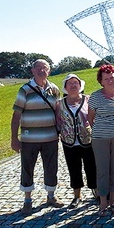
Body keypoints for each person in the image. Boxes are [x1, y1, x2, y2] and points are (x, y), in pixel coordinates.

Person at [11, 59, 63, 215]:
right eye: (38, 68)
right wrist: (14, 138)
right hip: (29, 139)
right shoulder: (25, 90)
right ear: (32, 71)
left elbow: (57, 112)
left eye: (45, 68)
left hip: (50, 138)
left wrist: (60, 131)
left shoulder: (54, 89)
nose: (42, 70)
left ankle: (51, 196)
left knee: (51, 168)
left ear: (49, 71)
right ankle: (27, 200)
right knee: (27, 169)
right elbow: (16, 116)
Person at [88, 65, 114, 216]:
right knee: (102, 170)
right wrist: (103, 129)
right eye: (106, 78)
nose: (110, 80)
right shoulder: (95, 96)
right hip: (100, 138)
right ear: (101, 81)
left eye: (112, 77)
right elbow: (90, 118)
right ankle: (103, 202)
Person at [56, 74, 97, 209]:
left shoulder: (89, 100)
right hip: (69, 142)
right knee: (74, 169)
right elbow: (58, 121)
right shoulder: (60, 104)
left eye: (76, 83)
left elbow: (94, 118)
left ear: (80, 86)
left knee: (91, 167)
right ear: (66, 87)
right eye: (70, 83)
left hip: (88, 140)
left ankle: (96, 192)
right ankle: (77, 196)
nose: (73, 86)